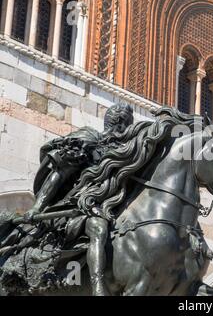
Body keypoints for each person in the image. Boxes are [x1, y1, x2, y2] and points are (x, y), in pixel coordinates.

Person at [22, 102, 134, 296]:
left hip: (111, 205)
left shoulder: (127, 152)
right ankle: (98, 288)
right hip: (77, 205)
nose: (127, 128)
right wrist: (37, 208)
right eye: (126, 122)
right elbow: (59, 174)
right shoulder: (89, 139)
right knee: (98, 227)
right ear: (117, 123)